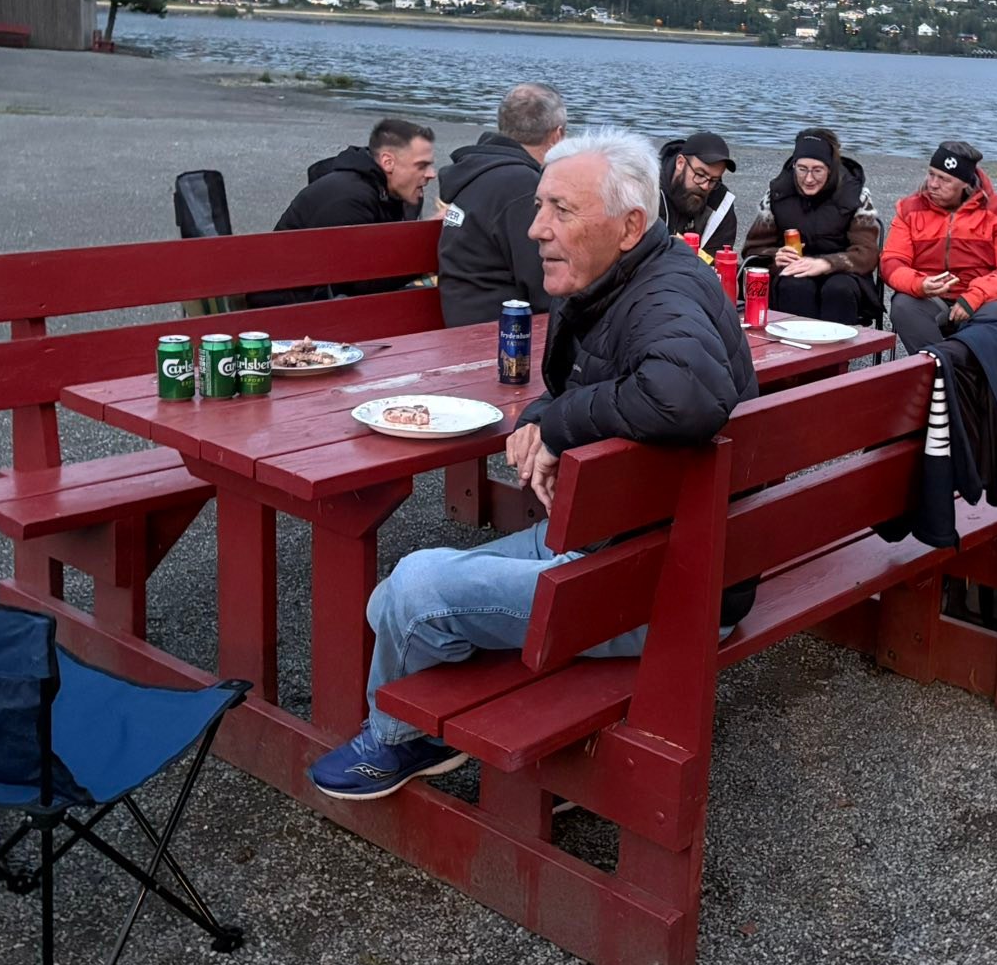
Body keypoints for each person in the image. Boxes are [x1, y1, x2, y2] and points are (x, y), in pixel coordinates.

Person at [310, 128, 759, 799]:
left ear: (630, 226)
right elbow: (590, 381)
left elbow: (682, 393)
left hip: (673, 589)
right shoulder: (627, 280)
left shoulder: (665, 298)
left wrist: (558, 424)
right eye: (539, 205)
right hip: (647, 545)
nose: (536, 228)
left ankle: (404, 736)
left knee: (413, 594)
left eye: (561, 211)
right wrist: (540, 418)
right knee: (391, 600)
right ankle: (453, 712)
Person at [247, 117, 436, 307]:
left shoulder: (397, 194)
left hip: (330, 298)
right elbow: (362, 281)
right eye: (421, 166)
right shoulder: (348, 197)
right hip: (289, 308)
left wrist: (434, 231)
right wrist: (431, 248)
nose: (432, 174)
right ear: (388, 162)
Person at [436, 81, 568, 325]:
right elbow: (545, 283)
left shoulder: (478, 171)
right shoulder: (522, 185)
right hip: (502, 328)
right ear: (556, 136)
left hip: (465, 316)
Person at [880, 141, 997, 354]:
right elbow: (891, 262)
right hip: (929, 298)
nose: (933, 184)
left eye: (944, 179)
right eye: (931, 174)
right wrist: (919, 284)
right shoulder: (909, 209)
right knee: (903, 305)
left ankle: (959, 369)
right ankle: (939, 367)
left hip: (980, 300)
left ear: (965, 184)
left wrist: (975, 296)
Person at [740, 127, 882, 325]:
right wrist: (775, 255)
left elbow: (867, 253)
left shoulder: (856, 195)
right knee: (795, 285)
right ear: (794, 165)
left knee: (837, 289)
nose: (808, 178)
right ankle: (793, 344)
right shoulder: (777, 194)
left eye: (817, 170)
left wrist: (827, 263)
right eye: (802, 169)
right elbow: (752, 250)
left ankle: (837, 345)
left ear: (830, 168)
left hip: (843, 273)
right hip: (793, 271)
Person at [657, 131, 741, 252]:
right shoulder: (645, 189)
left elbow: (715, 258)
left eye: (714, 180)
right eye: (700, 175)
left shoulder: (721, 205)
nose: (705, 186)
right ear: (680, 163)